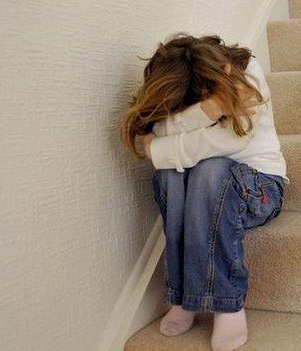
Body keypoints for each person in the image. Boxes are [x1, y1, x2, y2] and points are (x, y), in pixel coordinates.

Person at [120, 33, 288, 351]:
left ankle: (227, 304)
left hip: (261, 189)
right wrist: (209, 110)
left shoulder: (247, 73)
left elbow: (230, 141)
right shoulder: (184, 81)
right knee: (172, 174)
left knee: (211, 169)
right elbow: (154, 128)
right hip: (204, 193)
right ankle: (185, 298)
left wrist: (161, 148)